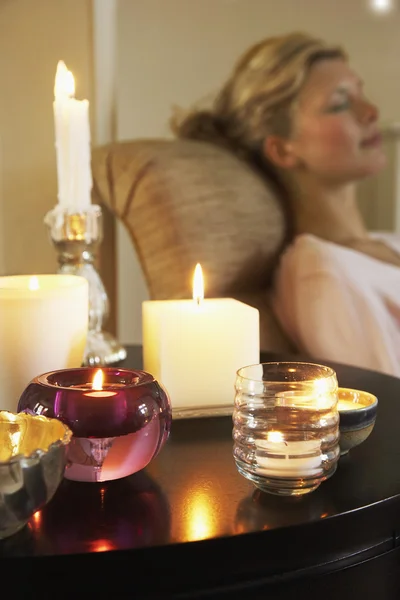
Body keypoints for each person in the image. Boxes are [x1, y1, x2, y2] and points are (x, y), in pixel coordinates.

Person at [170, 31, 400, 377]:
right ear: (282, 149)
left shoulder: (387, 242)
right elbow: (382, 410)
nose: (370, 112)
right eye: (339, 103)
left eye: (360, 93)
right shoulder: (323, 273)